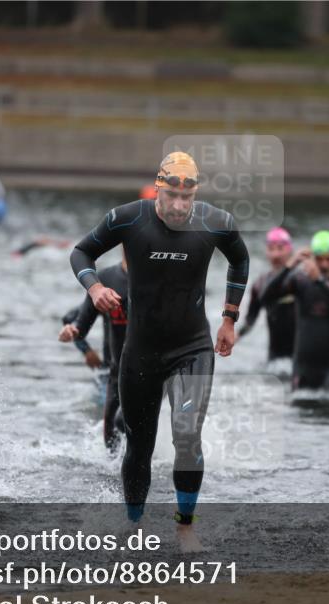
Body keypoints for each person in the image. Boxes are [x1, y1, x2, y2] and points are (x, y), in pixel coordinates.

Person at [69, 151, 249, 551]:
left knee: (187, 437)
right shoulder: (128, 218)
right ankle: (134, 525)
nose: (180, 206)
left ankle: (186, 528)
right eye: (172, 197)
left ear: (195, 194)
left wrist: (229, 318)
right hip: (141, 351)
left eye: (188, 198)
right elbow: (81, 252)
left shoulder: (216, 222)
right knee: (140, 444)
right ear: (159, 190)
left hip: (193, 348)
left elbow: (239, 258)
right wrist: (95, 288)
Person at [260, 230, 329, 395]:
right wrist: (289, 266)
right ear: (312, 258)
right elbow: (266, 297)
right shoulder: (300, 281)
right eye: (320, 259)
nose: (325, 264)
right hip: (303, 370)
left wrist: (320, 281)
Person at [59, 257, 129, 451]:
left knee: (125, 421)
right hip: (111, 371)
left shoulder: (155, 279)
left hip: (147, 371)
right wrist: (86, 350)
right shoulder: (107, 281)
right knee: (111, 436)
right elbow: (70, 319)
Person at [236, 227, 296, 362]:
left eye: (280, 248)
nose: (276, 254)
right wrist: (236, 335)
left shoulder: (300, 279)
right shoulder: (259, 284)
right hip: (275, 356)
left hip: (301, 354)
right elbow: (251, 319)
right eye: (271, 249)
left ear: (289, 249)